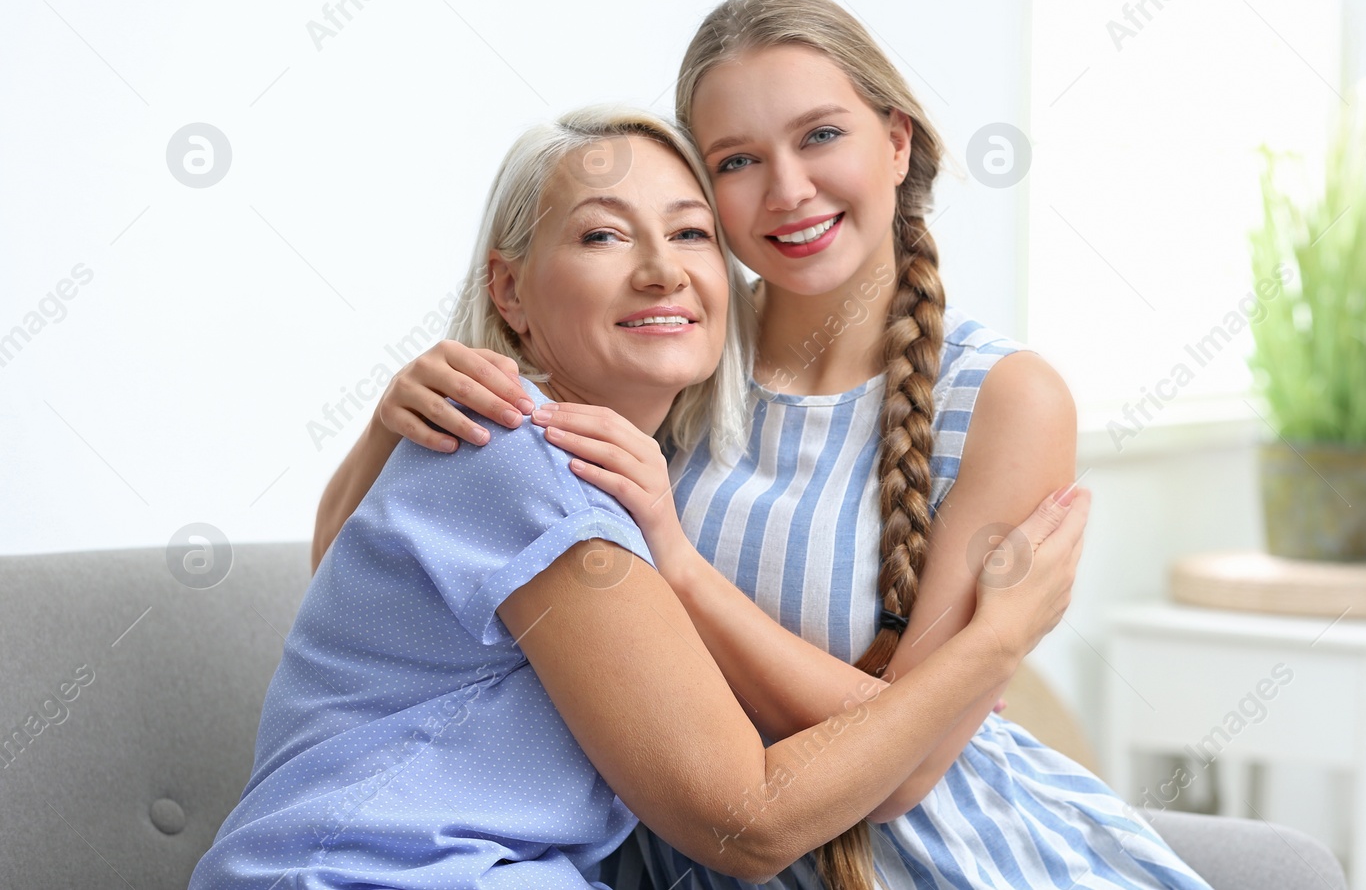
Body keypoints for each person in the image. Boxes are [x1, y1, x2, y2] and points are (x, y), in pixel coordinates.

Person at [313, 0, 1209, 890]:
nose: (787, 190)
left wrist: (681, 563)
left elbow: (915, 765)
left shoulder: (1004, 397)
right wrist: (391, 421)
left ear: (896, 142)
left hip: (939, 856)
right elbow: (380, 586)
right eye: (737, 160)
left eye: (822, 135)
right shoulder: (668, 348)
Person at [191, 105, 1089, 890]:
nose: (661, 269)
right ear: (508, 289)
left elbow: (356, 593)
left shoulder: (607, 472)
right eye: (603, 235)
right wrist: (997, 640)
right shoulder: (519, 455)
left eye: (692, 232)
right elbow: (750, 821)